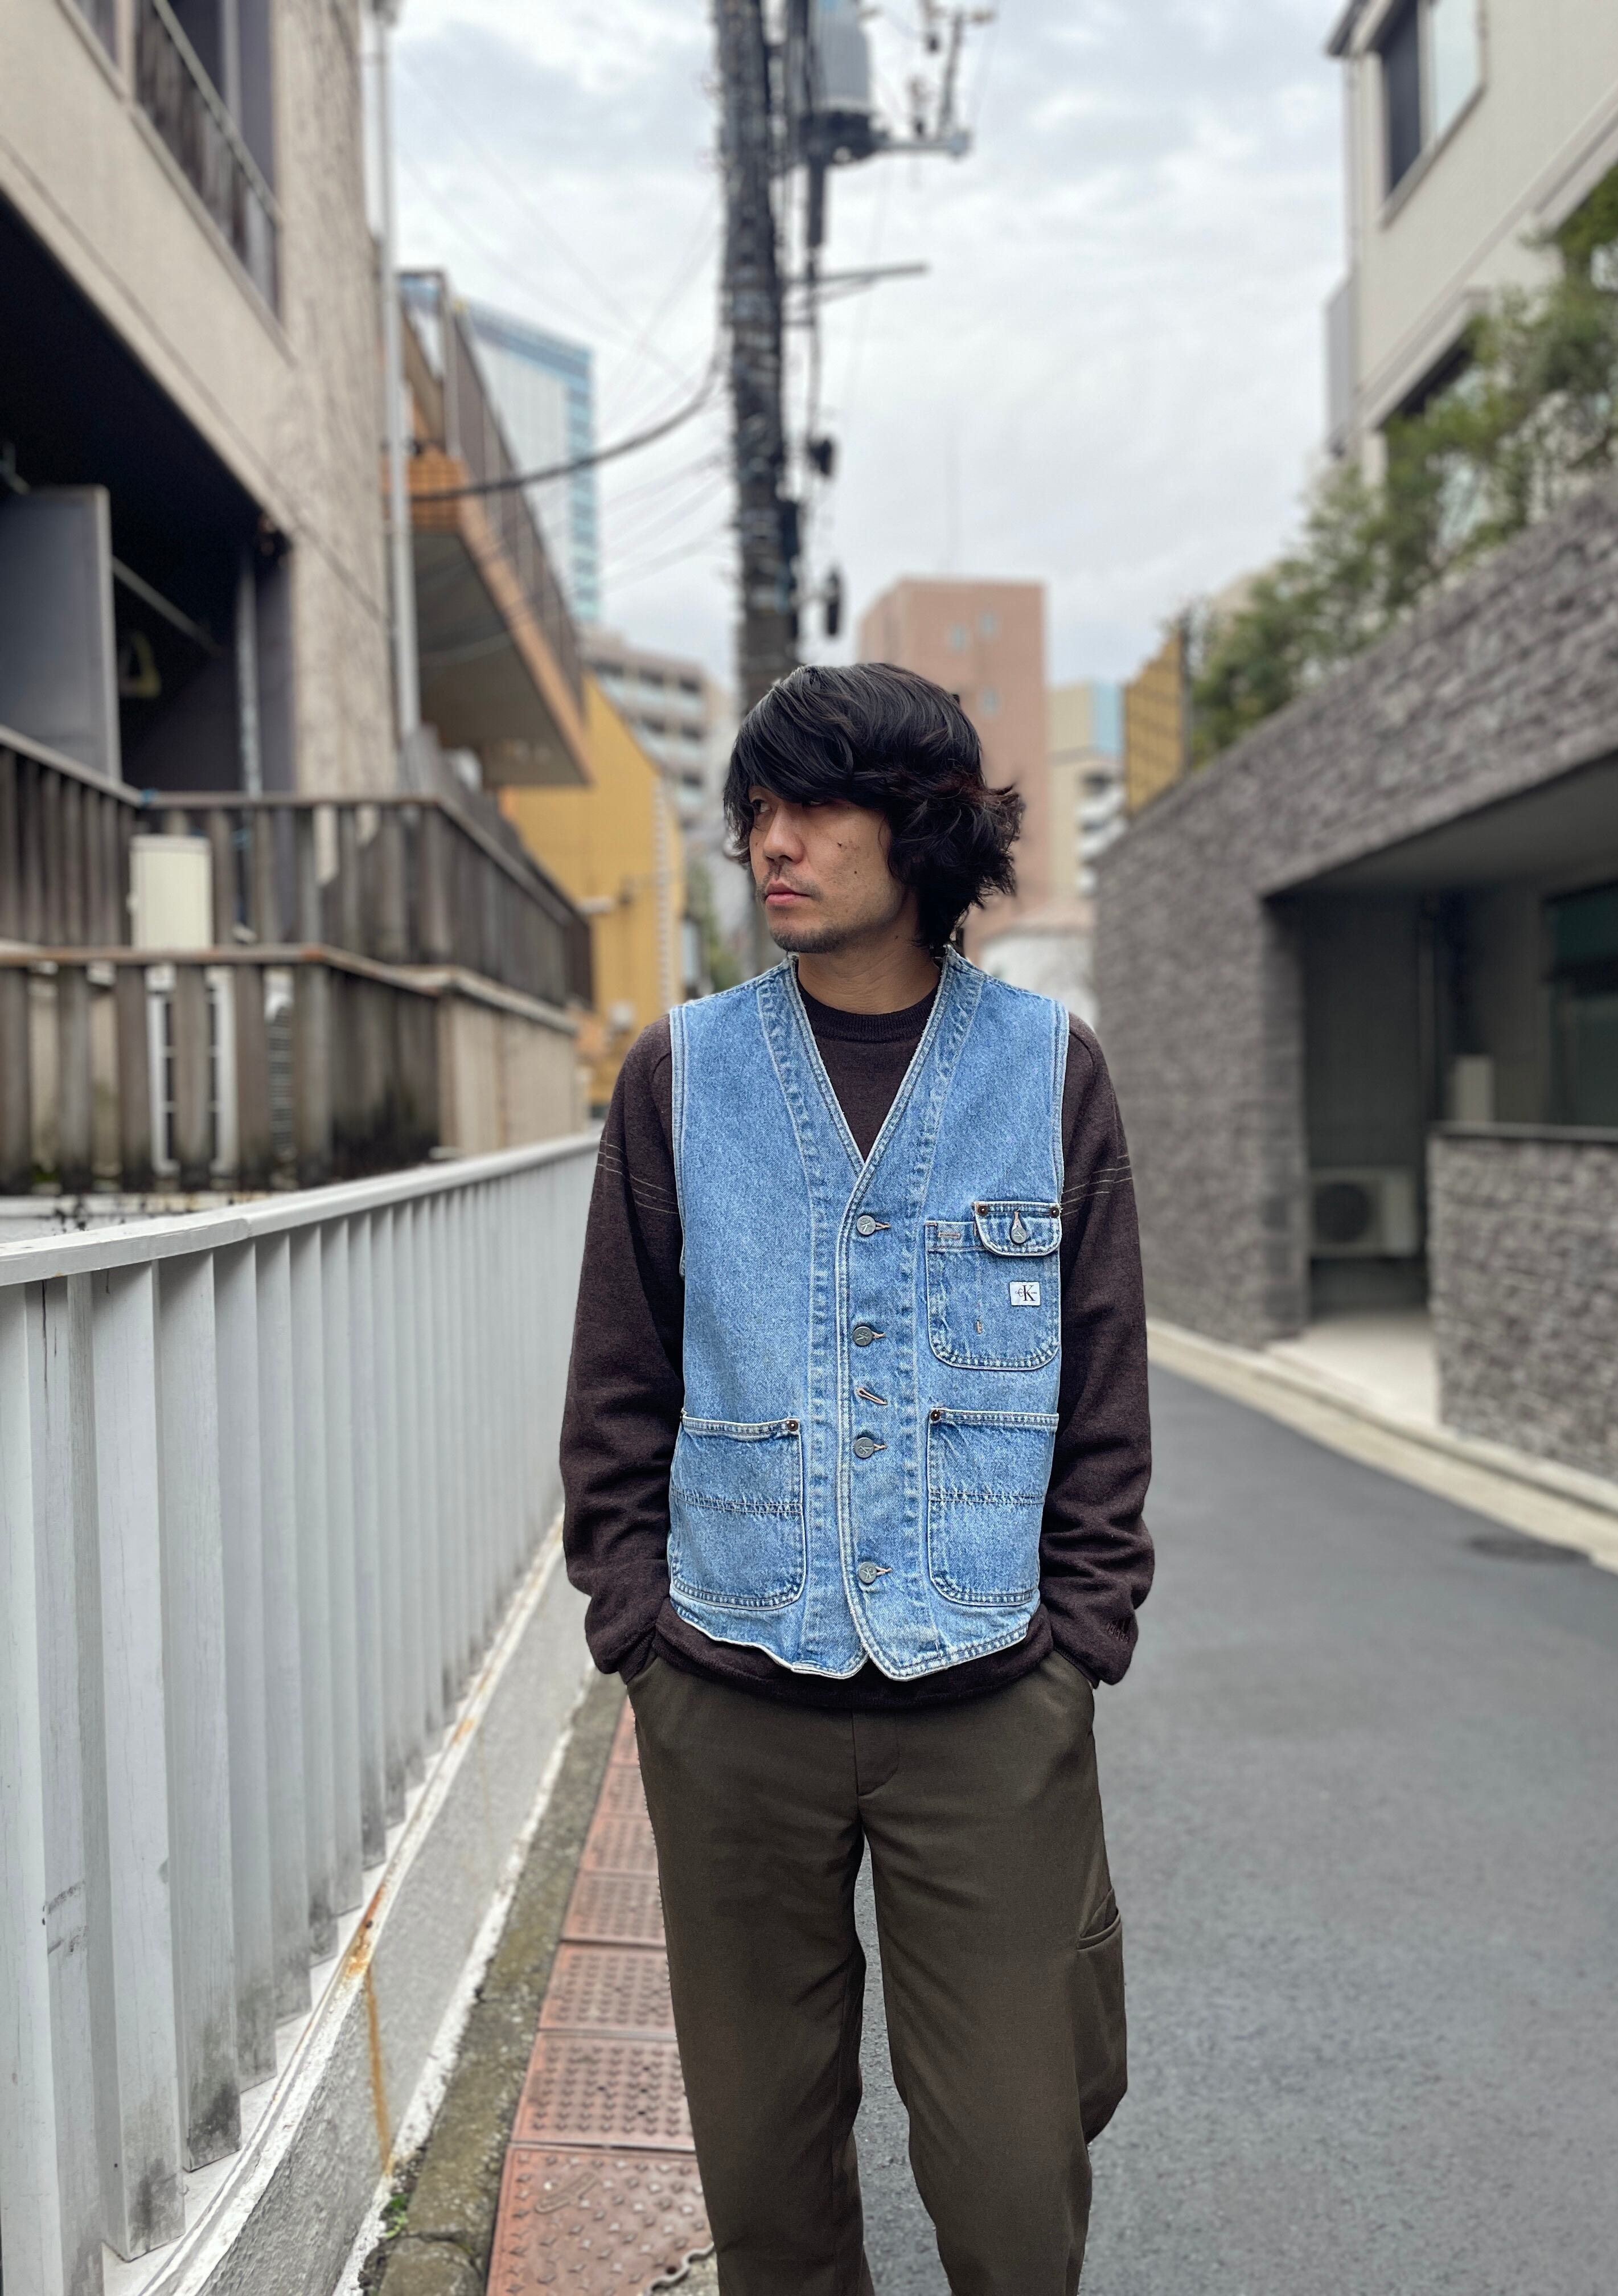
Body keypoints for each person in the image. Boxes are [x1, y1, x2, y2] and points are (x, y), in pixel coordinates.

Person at [561, 661, 1153, 2296]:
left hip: (991, 1698)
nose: (773, 842)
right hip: (729, 1691)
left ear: (924, 826)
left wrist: (1082, 1637)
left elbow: (1105, 1382)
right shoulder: (681, 1074)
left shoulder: (1048, 1068)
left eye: (815, 808)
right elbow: (619, 1381)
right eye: (757, 808)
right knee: (767, 2178)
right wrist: (637, 1633)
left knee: (1015, 2178)